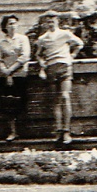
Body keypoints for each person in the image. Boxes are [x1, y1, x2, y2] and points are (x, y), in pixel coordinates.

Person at [35, 10, 83, 145]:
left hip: (64, 67)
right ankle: (58, 131)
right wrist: (41, 63)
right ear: (45, 23)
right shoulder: (42, 38)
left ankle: (67, 131)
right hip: (51, 68)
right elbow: (38, 54)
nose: (51, 23)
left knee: (65, 96)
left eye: (53, 21)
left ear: (58, 21)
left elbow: (79, 44)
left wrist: (72, 55)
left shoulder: (65, 34)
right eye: (48, 21)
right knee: (55, 101)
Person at [0, 14, 31, 141]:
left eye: (14, 23)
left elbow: (24, 56)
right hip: (5, 77)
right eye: (10, 24)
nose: (12, 26)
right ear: (5, 27)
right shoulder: (0, 42)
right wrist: (6, 72)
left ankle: (24, 131)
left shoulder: (23, 39)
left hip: (20, 75)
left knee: (21, 102)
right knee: (8, 104)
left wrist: (11, 70)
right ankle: (12, 131)